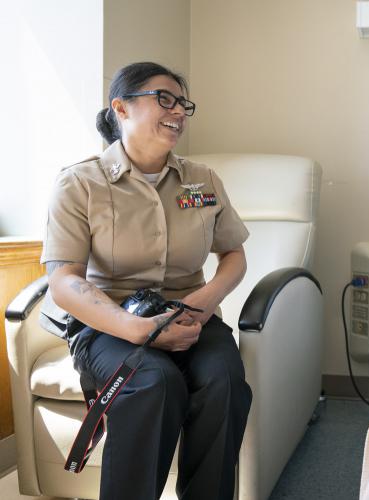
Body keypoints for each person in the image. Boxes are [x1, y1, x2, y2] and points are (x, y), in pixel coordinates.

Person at [40, 62, 252, 500]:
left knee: (224, 379)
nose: (178, 112)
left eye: (183, 104)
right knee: (153, 381)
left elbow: (233, 254)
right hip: (108, 323)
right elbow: (64, 281)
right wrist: (138, 329)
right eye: (164, 99)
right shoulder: (80, 183)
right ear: (121, 107)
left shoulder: (202, 180)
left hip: (190, 314)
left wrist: (204, 301)